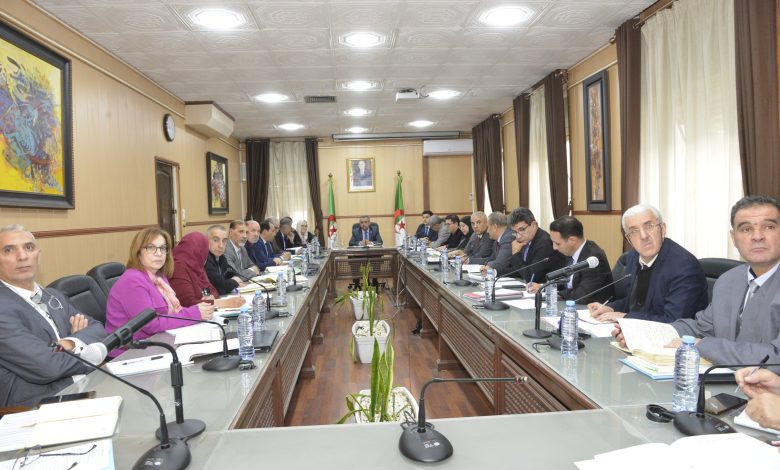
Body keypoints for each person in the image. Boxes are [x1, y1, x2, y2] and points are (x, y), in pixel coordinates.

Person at [0, 224, 105, 407]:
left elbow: (98, 329)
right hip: (37, 406)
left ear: (38, 256)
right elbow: (47, 366)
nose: (22, 256)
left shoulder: (53, 295)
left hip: (85, 385)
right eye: (8, 250)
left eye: (29, 247)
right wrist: (91, 353)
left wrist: (70, 342)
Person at [106, 228, 214, 357]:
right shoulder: (132, 280)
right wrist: (194, 313)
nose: (159, 253)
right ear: (138, 252)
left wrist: (197, 310)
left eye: (163, 248)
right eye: (151, 248)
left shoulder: (159, 278)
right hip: (129, 353)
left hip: (157, 342)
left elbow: (171, 313)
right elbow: (150, 324)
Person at [589, 204, 707, 323]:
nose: (643, 236)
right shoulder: (633, 257)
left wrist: (625, 318)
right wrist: (611, 308)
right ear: (629, 239)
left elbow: (673, 321)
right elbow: (635, 303)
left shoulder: (684, 266)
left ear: (663, 229)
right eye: (634, 231)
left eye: (649, 226)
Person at [527, 215, 613, 304]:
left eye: (557, 243)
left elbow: (582, 295)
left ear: (572, 241)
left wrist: (555, 294)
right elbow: (567, 282)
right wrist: (543, 287)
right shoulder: (570, 252)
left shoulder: (594, 259)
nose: (554, 247)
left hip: (590, 308)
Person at [169, 232, 244, 309]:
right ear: (198, 251)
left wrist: (209, 297)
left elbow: (213, 291)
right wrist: (223, 303)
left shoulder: (197, 266)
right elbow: (188, 303)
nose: (205, 255)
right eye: (204, 251)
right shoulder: (178, 268)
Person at [505, 208, 565, 283]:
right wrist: (496, 272)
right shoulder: (526, 239)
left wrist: (515, 254)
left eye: (522, 230)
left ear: (533, 225)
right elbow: (519, 269)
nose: (518, 236)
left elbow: (531, 278)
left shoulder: (544, 243)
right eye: (515, 232)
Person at [205, 225, 246, 295]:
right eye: (215, 240)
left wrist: (234, 278)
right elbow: (221, 287)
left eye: (224, 241)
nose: (221, 245)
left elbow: (231, 272)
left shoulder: (221, 257)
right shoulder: (205, 260)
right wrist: (235, 282)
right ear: (206, 241)